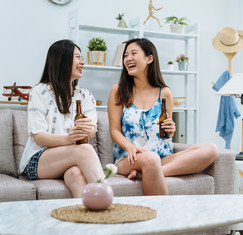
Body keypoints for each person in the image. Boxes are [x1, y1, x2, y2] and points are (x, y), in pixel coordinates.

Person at [107, 37, 219, 193]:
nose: (128, 59)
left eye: (133, 53)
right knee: (150, 159)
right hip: (130, 158)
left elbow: (165, 132)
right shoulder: (118, 90)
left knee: (211, 149)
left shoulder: (164, 92)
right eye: (125, 55)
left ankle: (148, 173)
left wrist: (171, 128)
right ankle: (163, 211)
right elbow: (114, 130)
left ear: (149, 59)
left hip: (161, 157)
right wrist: (130, 147)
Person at [19, 39, 106, 198]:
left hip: (70, 160)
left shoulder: (85, 96)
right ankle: (110, 203)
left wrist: (88, 129)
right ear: (62, 60)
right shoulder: (39, 92)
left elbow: (92, 131)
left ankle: (88, 219)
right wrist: (69, 139)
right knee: (85, 149)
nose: (82, 62)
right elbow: (39, 137)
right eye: (78, 57)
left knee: (75, 175)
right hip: (39, 160)